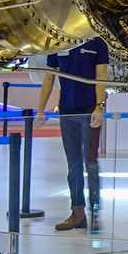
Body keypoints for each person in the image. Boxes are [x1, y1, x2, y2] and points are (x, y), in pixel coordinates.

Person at [37, 37, 109, 231]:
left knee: (91, 163)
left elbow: (101, 75)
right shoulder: (58, 43)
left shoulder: (98, 43)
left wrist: (99, 107)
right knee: (73, 165)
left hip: (89, 111)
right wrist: (41, 109)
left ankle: (94, 211)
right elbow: (49, 77)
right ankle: (77, 213)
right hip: (67, 112)